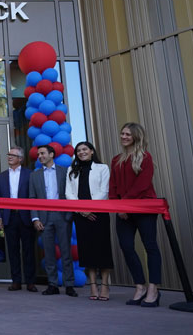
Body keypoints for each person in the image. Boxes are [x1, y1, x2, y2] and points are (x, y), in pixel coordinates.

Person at [110, 123, 161, 307]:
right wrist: (118, 207)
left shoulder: (145, 157)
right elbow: (113, 186)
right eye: (122, 133)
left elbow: (142, 184)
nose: (123, 137)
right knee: (126, 246)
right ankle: (140, 285)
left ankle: (153, 288)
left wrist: (125, 204)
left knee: (150, 246)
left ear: (136, 137)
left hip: (143, 208)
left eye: (128, 134)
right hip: (123, 211)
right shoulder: (116, 159)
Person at [65, 141, 113, 301]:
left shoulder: (103, 168)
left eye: (85, 149)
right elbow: (68, 193)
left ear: (92, 151)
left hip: (99, 214)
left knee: (102, 250)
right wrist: (82, 211)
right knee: (87, 250)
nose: (81, 152)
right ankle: (93, 285)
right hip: (81, 216)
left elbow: (104, 191)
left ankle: (105, 285)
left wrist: (91, 209)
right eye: (78, 150)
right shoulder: (72, 170)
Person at [29, 145, 77, 297]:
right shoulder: (34, 175)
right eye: (38, 154)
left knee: (66, 251)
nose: (40, 156)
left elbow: (71, 193)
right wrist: (35, 218)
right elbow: (32, 198)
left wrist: (70, 214)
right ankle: (52, 284)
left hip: (62, 216)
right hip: (43, 217)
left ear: (51, 154)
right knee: (48, 252)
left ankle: (69, 285)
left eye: (43, 153)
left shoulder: (65, 171)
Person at [0, 146, 37, 292]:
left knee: (28, 251)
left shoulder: (30, 174)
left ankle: (30, 282)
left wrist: (35, 217)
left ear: (20, 159)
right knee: (12, 251)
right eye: (8, 155)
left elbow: (34, 196)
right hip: (9, 217)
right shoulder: (1, 177)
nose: (9, 157)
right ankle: (16, 281)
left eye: (12, 155)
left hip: (26, 217)